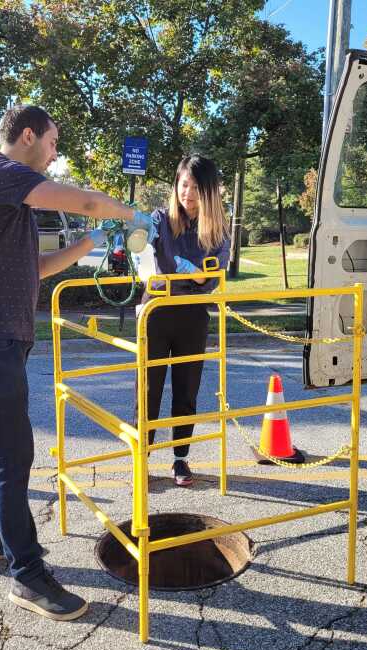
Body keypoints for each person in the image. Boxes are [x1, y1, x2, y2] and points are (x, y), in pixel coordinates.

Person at [0, 105, 156, 621]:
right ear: (28, 135)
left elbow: (37, 269)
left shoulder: (9, 197)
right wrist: (130, 214)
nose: (55, 153)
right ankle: (28, 577)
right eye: (54, 142)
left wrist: (93, 242)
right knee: (11, 452)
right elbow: (83, 198)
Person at [141, 155, 230, 487]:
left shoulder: (217, 229)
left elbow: (213, 276)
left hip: (193, 314)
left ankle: (180, 458)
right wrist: (137, 237)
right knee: (148, 389)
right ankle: (143, 456)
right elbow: (145, 252)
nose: (187, 193)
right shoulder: (160, 219)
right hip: (156, 311)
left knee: (186, 388)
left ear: (208, 192)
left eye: (195, 187)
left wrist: (195, 275)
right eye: (183, 185)